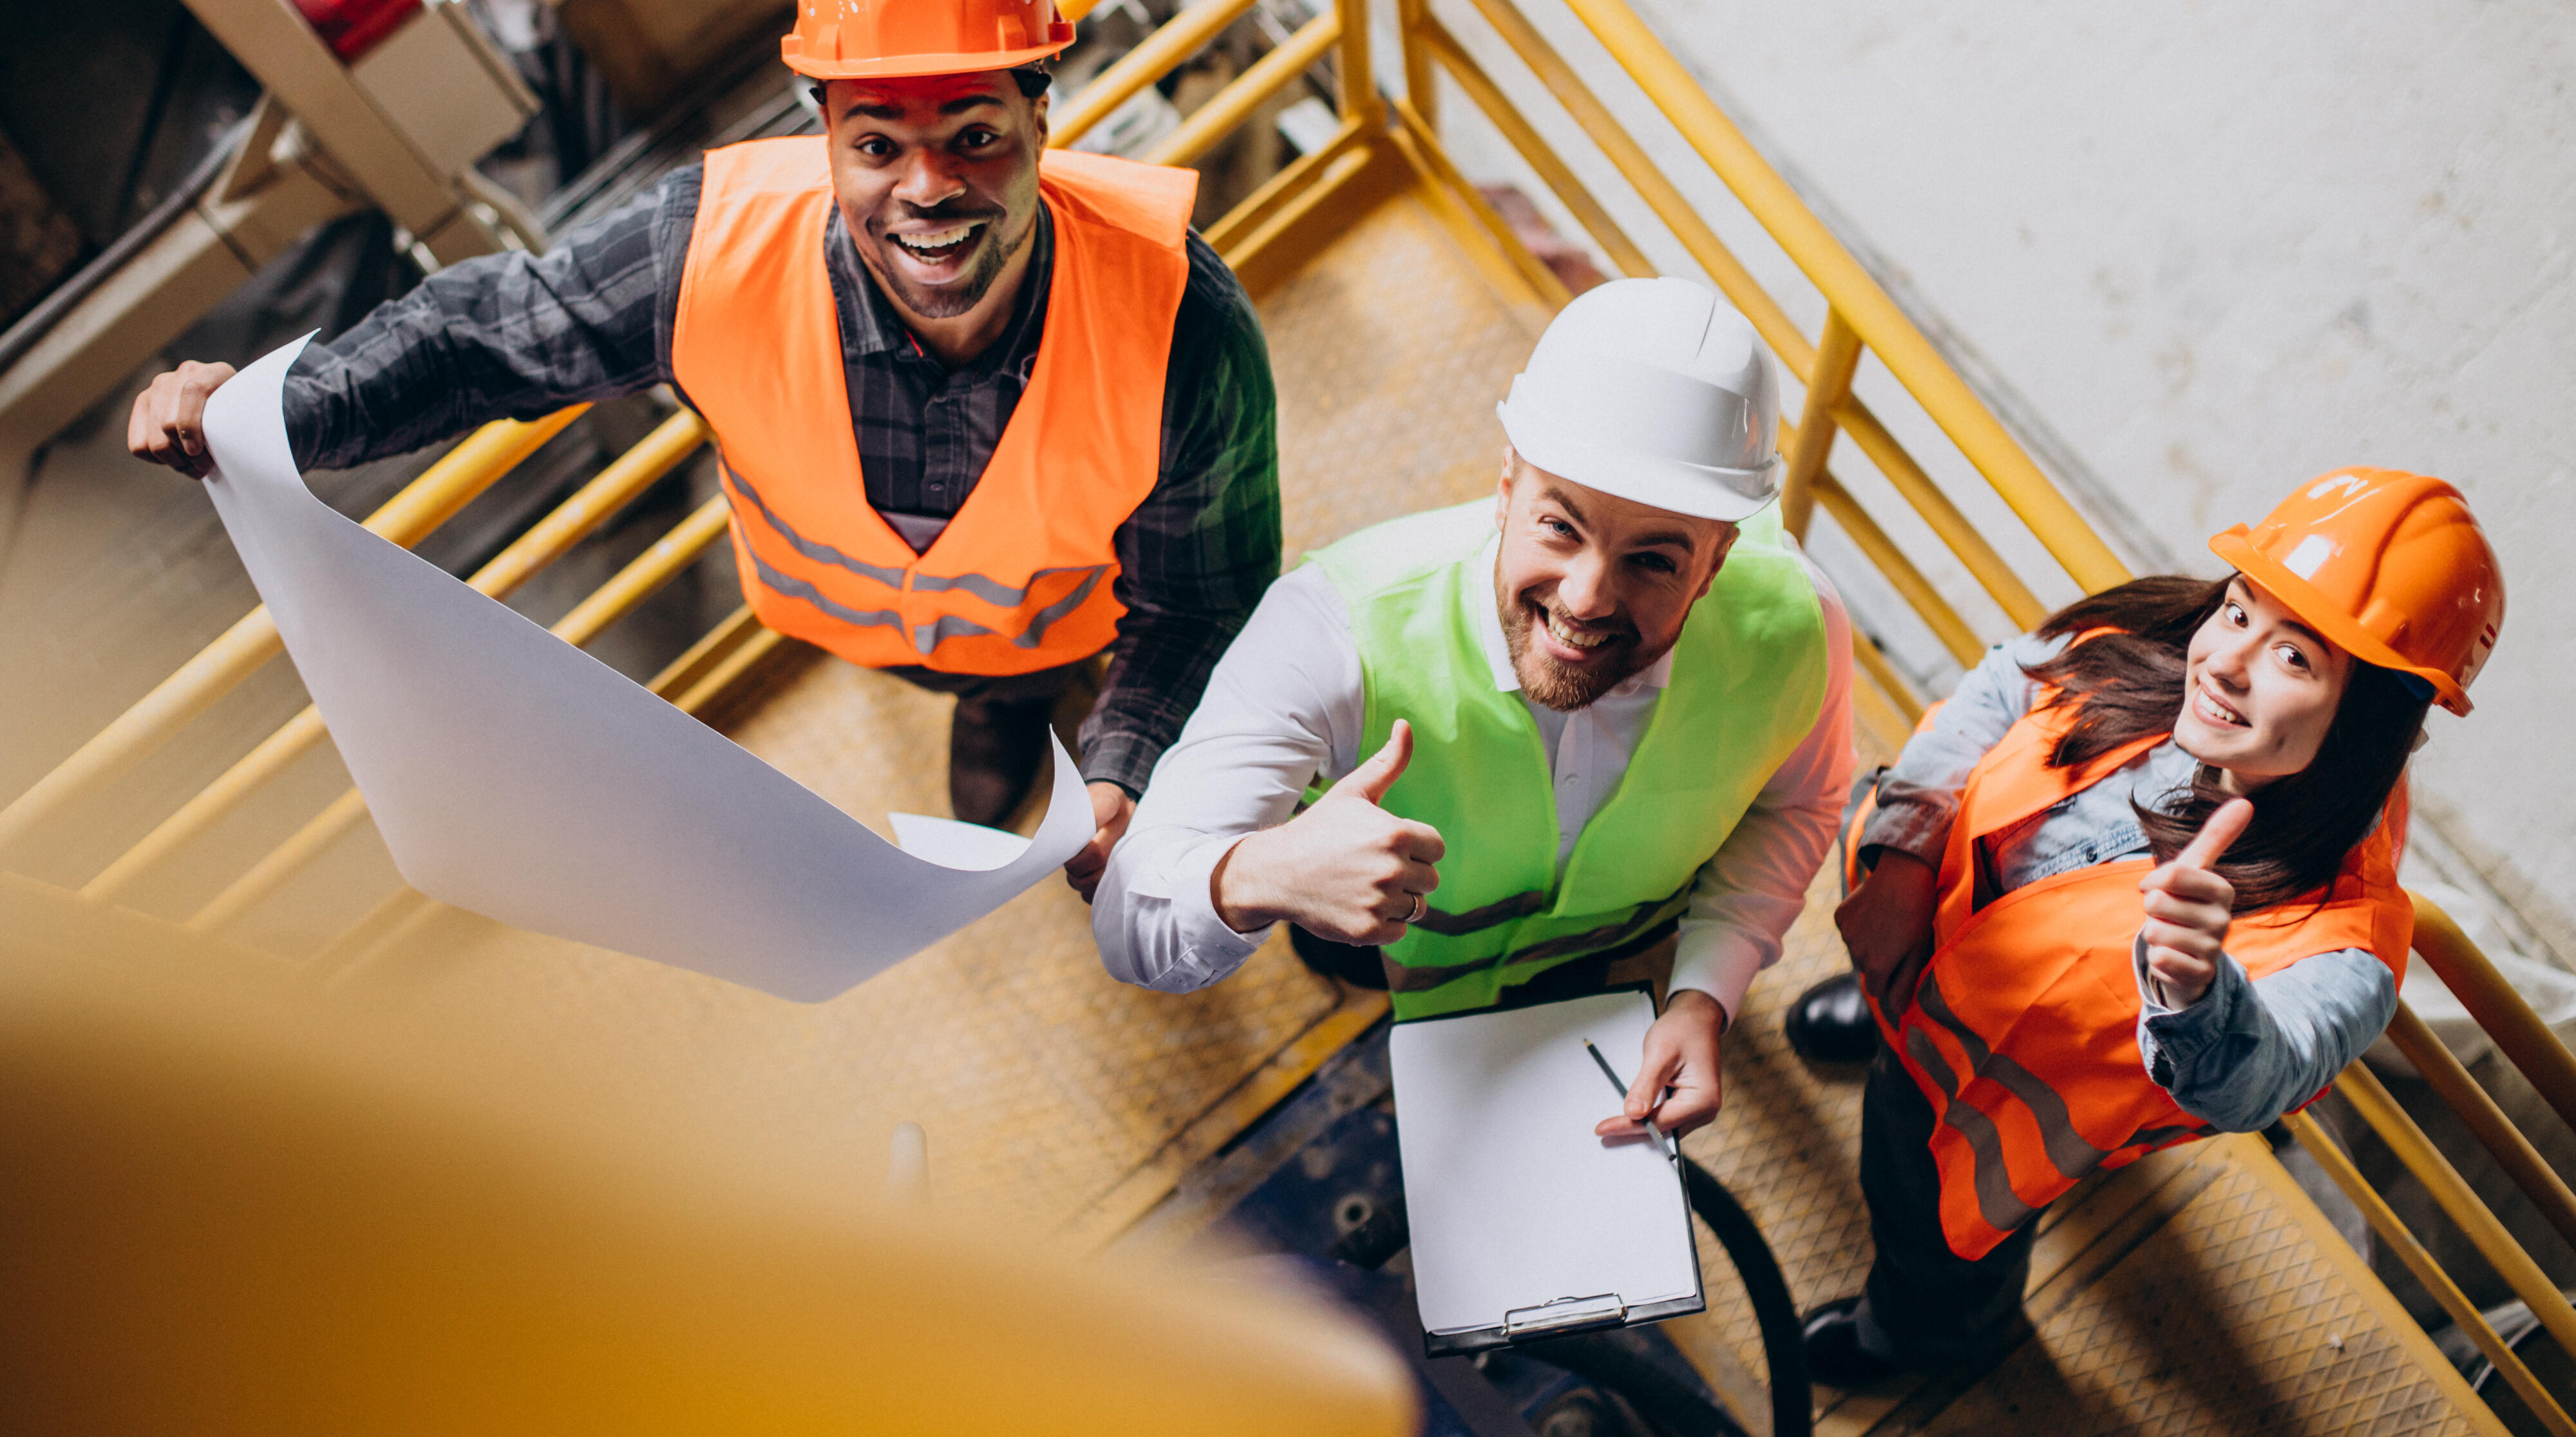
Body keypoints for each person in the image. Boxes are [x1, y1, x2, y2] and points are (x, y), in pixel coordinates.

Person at [125, 0, 1279, 897]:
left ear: (1043, 119)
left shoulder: (1183, 330)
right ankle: (982, 704)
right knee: (963, 682)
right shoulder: (705, 251)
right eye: (879, 145)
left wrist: (1125, 763)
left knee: (1020, 680)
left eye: (975, 136)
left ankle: (1011, 706)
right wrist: (276, 409)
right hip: (853, 615)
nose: (930, 190)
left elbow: (1194, 601)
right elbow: (488, 337)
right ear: (823, 134)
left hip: (1050, 615)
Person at [1789, 469, 2506, 1387]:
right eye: (2242, 611)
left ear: (2374, 721)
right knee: (1904, 1071)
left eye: (2297, 659)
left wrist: (2194, 988)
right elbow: (2005, 683)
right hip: (1924, 956)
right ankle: (1898, 1023)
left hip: (1985, 1109)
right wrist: (1905, 859)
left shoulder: (2347, 943)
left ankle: (1931, 1336)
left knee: (1926, 1207)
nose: (2226, 662)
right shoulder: (2150, 644)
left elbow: (2258, 1078)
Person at [1092, 277, 1852, 1141]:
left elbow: (1799, 804)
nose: (1587, 600)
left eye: (1652, 560)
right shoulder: (1332, 629)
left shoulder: (1799, 629)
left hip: (1618, 945)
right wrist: (1269, 874)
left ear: (1716, 564)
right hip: (1380, 945)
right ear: (1504, 487)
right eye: (1561, 528)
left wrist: (1705, 990)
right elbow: (1129, 916)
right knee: (1338, 952)